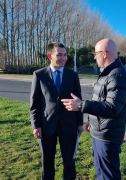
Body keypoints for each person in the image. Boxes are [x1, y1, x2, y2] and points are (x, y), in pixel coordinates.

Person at [61, 38, 126, 180]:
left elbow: (112, 108)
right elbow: (99, 101)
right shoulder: (107, 73)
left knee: (108, 176)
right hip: (100, 132)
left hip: (107, 137)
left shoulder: (117, 75)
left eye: (96, 53)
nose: (94, 57)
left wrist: (81, 105)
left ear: (105, 53)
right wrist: (91, 122)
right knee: (101, 173)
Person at [30, 42, 83, 180]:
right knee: (47, 161)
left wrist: (79, 123)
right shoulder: (39, 75)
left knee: (69, 162)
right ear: (49, 56)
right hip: (47, 125)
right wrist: (36, 125)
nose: (64, 58)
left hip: (69, 124)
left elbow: (79, 101)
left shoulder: (73, 75)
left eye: (65, 55)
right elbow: (34, 104)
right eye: (59, 55)